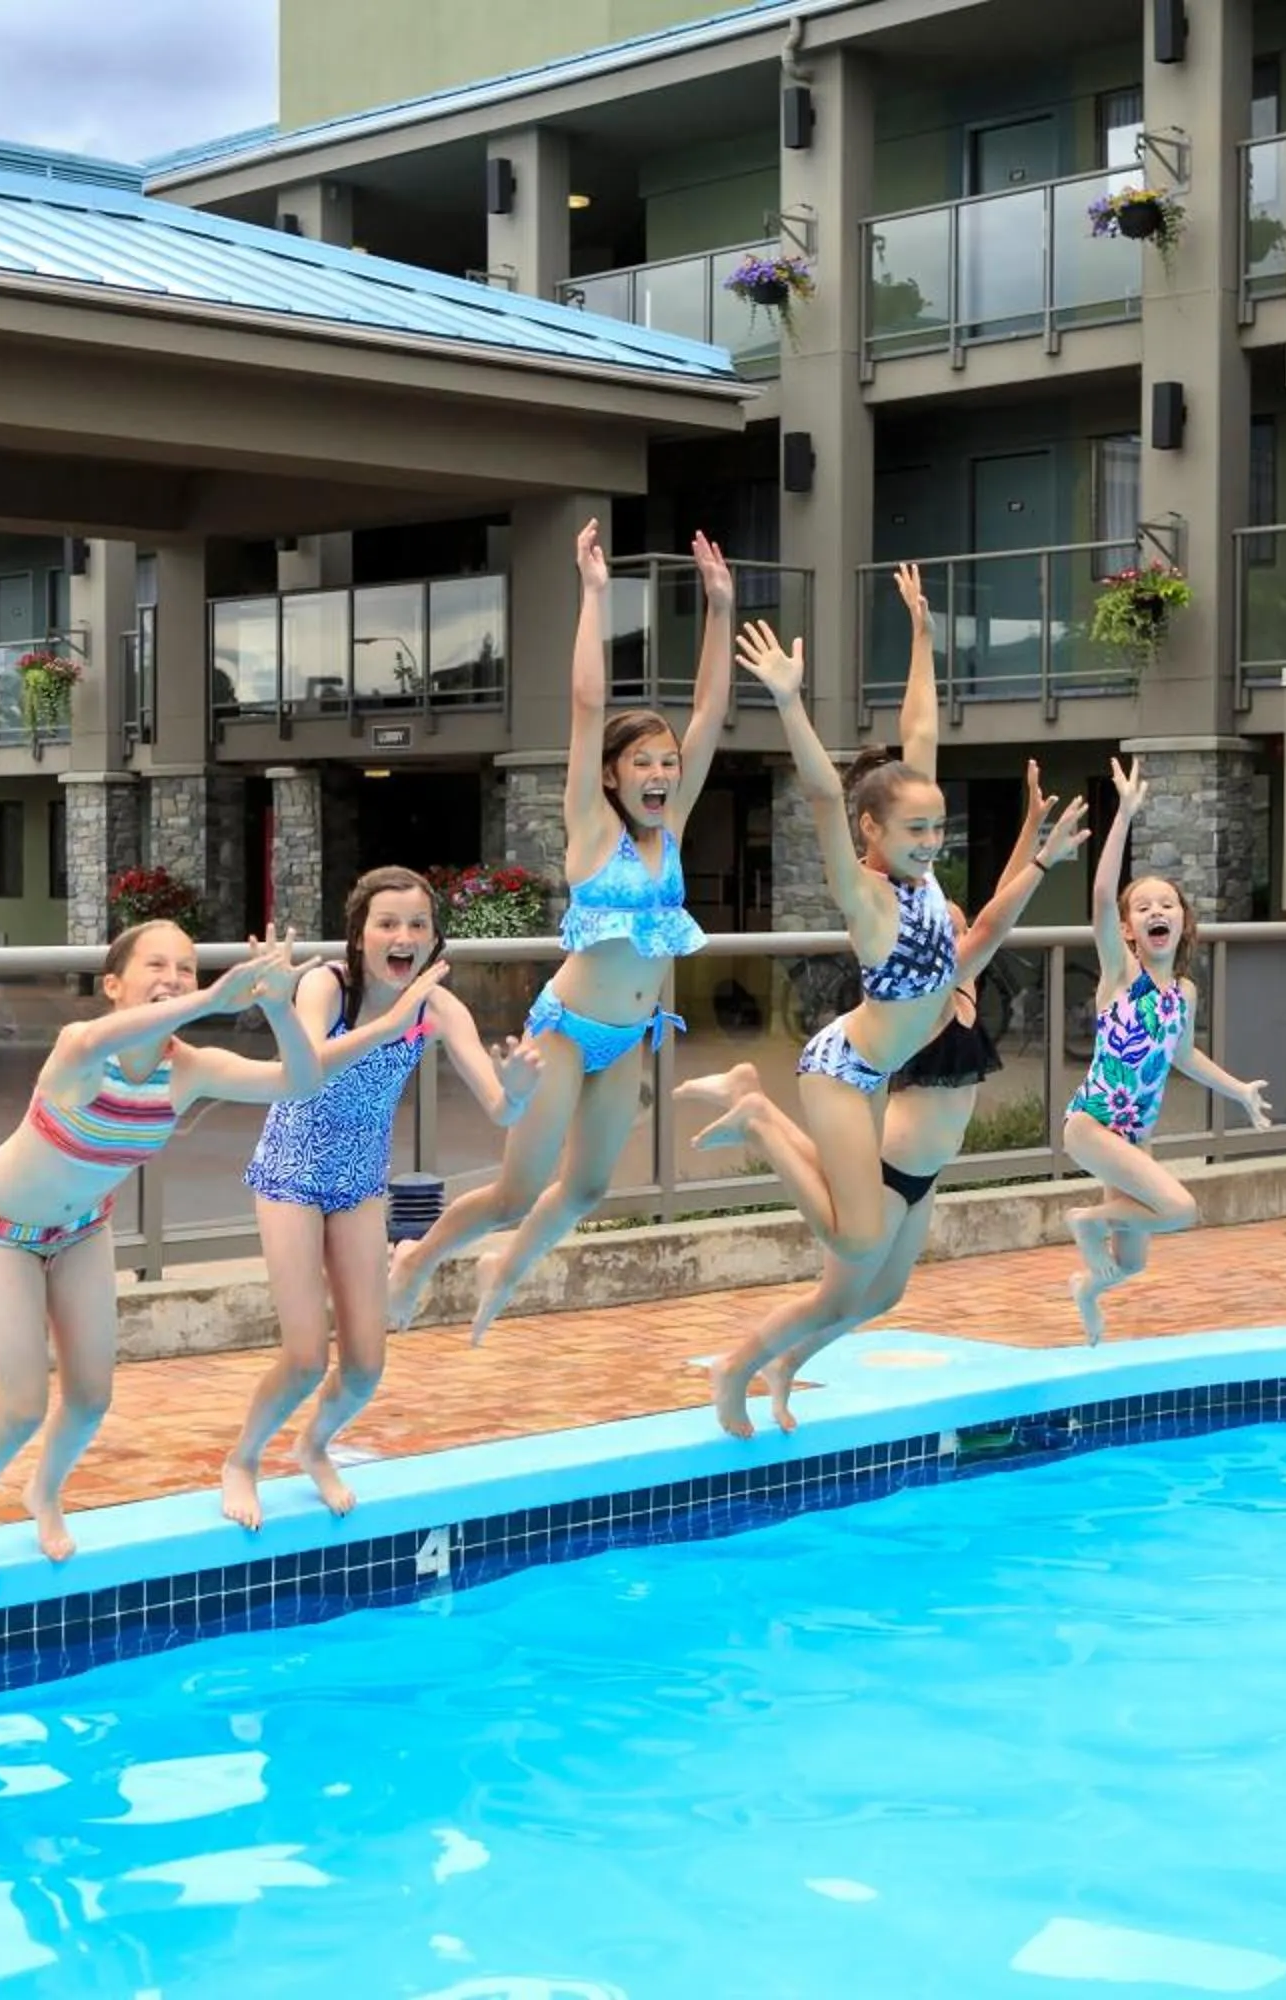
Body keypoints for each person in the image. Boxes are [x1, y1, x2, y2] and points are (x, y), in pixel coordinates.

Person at [0, 921, 441, 1584]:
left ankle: (45, 1492)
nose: (172, 977)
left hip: (83, 1229)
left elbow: (297, 1081)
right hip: (2, 1229)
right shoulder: (81, 1049)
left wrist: (275, 1008)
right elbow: (93, 1036)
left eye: (185, 966)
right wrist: (211, 998)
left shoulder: (188, 1069)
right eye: (156, 965)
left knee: (90, 1399)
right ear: (113, 984)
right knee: (24, 1404)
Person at [676, 616, 1087, 1312]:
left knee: (868, 1249)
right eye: (918, 830)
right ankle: (758, 1116)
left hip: (873, 1073)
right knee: (858, 1242)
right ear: (874, 830)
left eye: (937, 828)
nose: (933, 841)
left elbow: (921, 734)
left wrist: (923, 638)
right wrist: (786, 701)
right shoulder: (867, 898)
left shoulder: (924, 879)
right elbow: (823, 796)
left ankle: (755, 1106)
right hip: (843, 1065)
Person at [385, 522, 735, 1338]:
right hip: (569, 1033)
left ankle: (505, 1267)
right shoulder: (592, 826)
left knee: (584, 1191)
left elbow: (712, 711)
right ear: (613, 775)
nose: (659, 773)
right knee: (516, 1190)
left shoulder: (672, 828)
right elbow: (586, 707)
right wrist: (594, 595)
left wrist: (719, 609)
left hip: (632, 1035)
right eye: (642, 762)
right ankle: (415, 1258)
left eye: (666, 762)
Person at [696, 757, 1085, 1435]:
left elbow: (994, 915)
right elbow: (987, 914)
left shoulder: (958, 980)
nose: (947, 926)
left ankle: (785, 1369)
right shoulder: (922, 991)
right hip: (890, 1163)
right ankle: (737, 1367)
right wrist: (1037, 859)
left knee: (880, 1297)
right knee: (836, 1294)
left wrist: (1034, 834)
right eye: (942, 924)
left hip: (925, 1171)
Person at [222, 865, 543, 1529]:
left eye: (418, 925)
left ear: (433, 940)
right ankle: (244, 1460)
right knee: (308, 1354)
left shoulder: (437, 1007)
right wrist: (391, 1022)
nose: (403, 935)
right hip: (291, 1172)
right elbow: (305, 1071)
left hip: (360, 1181)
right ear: (360, 934)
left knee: (366, 1365)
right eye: (388, 923)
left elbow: (499, 1110)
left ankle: (313, 1446)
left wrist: (515, 1091)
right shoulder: (325, 987)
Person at [1061, 756, 1274, 1344]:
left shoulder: (1184, 992)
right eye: (1144, 907)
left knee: (1131, 1263)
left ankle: (1088, 1288)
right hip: (1093, 1125)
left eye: (1168, 905)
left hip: (1135, 1135)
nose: (1157, 912)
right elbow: (1102, 895)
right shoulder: (1120, 972)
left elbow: (1182, 1056)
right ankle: (1085, 1221)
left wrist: (1238, 1091)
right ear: (1129, 929)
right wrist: (1125, 814)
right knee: (1179, 1208)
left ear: (1183, 922)